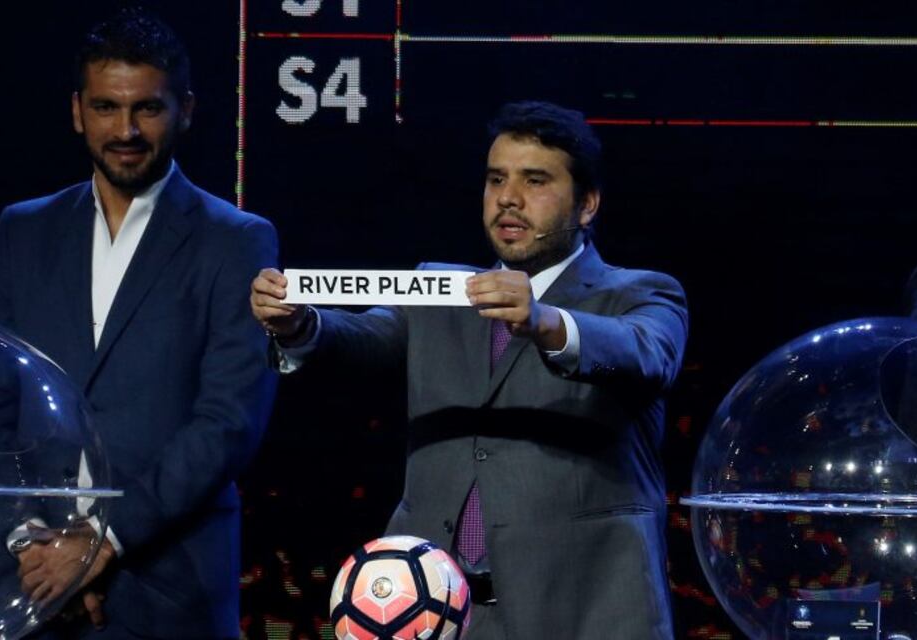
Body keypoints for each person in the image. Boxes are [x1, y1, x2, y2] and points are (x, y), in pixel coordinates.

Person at [251, 101, 688, 638]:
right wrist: (299, 324)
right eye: (496, 179)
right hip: (436, 616)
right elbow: (362, 336)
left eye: (535, 181)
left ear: (587, 204)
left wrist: (545, 321)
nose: (508, 198)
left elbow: (646, 352)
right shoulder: (440, 290)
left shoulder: (641, 293)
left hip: (585, 614)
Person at [0, 8, 277, 639]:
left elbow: (228, 421)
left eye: (148, 108)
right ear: (77, 111)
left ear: (185, 110)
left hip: (169, 589)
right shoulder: (21, 230)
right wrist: (30, 544)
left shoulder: (236, 240)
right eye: (106, 107)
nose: (126, 130)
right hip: (31, 586)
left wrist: (100, 543)